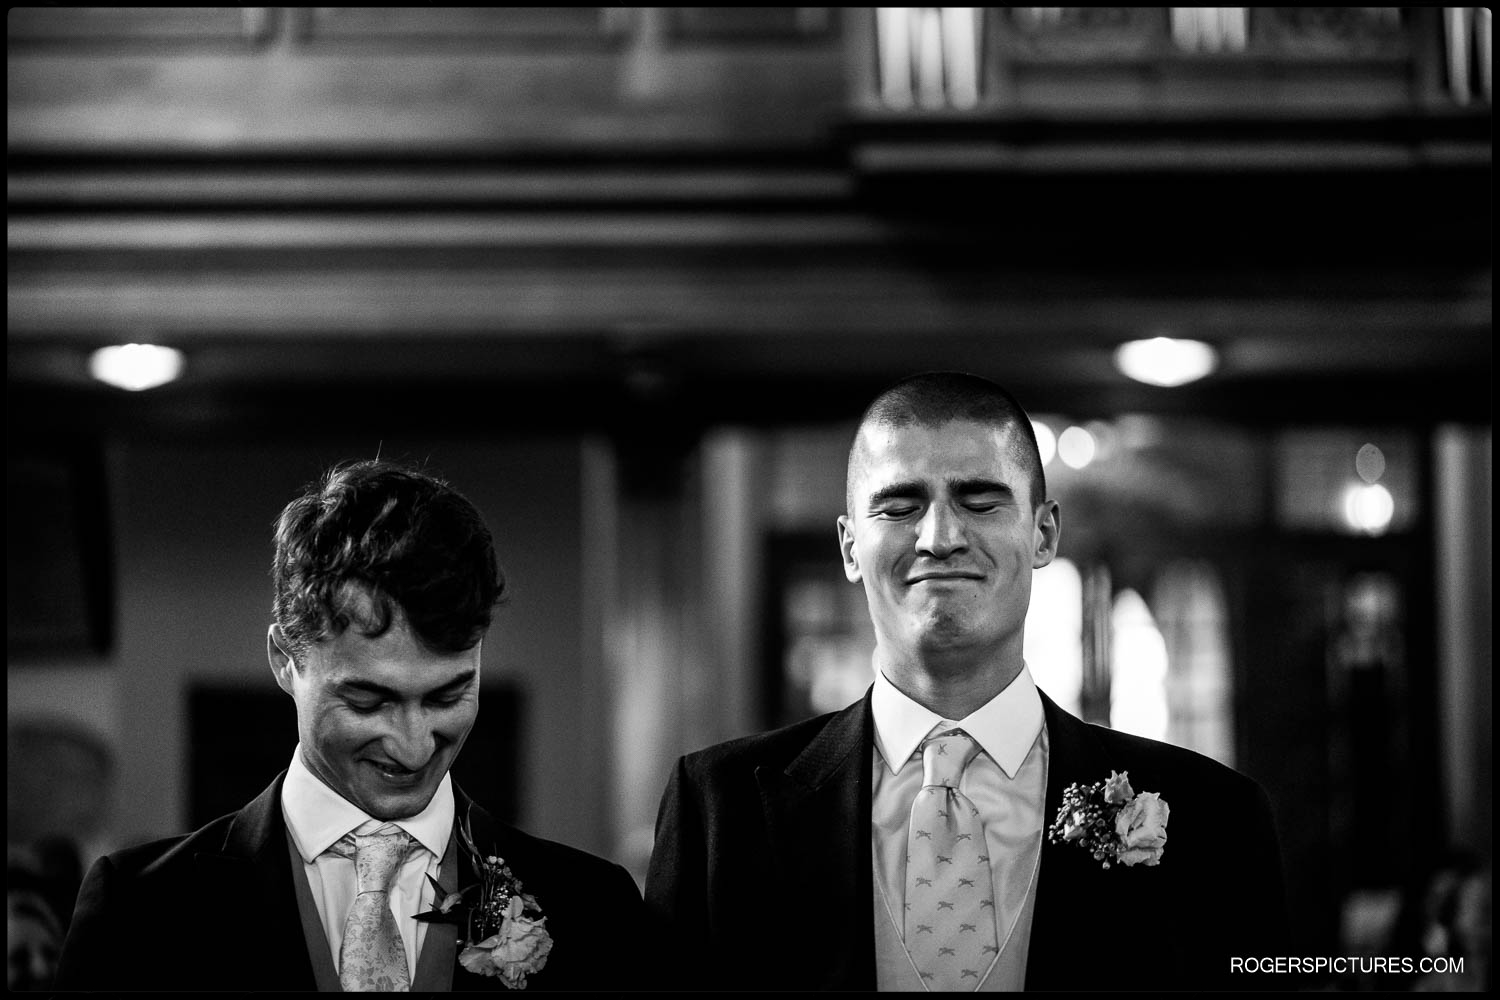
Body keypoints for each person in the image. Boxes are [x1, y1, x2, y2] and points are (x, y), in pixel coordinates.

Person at [646, 372, 1288, 990]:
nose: (940, 537)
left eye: (979, 502)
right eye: (900, 506)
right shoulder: (719, 812)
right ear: (849, 548)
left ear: (1043, 533)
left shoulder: (1215, 819)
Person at [56, 460, 647, 991]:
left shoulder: (594, 910)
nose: (414, 746)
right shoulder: (137, 912)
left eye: (449, 695)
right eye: (369, 701)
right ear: (285, 660)